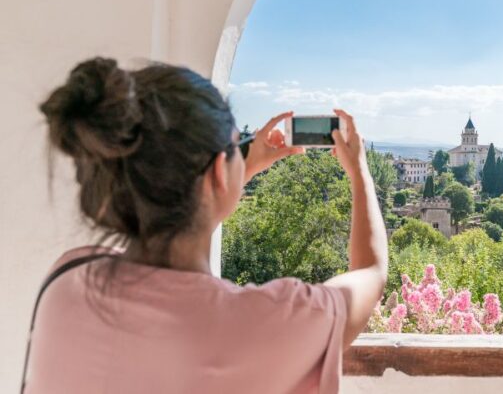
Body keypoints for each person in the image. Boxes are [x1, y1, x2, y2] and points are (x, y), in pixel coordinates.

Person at [24, 57, 388, 393]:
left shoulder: (68, 280)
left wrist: (233, 168)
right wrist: (359, 171)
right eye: (236, 145)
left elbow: (174, 227)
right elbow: (371, 272)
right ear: (217, 171)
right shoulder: (257, 324)